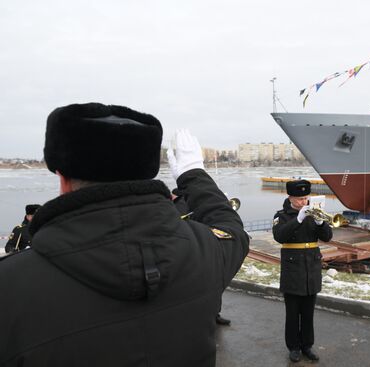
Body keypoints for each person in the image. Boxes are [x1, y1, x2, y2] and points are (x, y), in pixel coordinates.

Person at [0, 103, 249, 366]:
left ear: (61, 178)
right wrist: (194, 174)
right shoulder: (203, 252)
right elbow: (231, 227)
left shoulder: (10, 287)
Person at [272, 180, 333, 363]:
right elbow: (280, 236)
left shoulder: (314, 212)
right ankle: (294, 347)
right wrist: (298, 218)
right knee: (292, 313)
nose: (303, 202)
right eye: (299, 199)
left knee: (308, 312)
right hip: (293, 269)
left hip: (311, 268)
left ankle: (307, 345)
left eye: (305, 198)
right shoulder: (282, 215)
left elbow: (327, 237)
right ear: (290, 197)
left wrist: (321, 222)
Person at [171, 187, 231, 326]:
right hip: (194, 248)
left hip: (199, 246)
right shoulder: (180, 205)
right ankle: (209, 314)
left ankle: (213, 314)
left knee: (208, 283)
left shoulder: (187, 204)